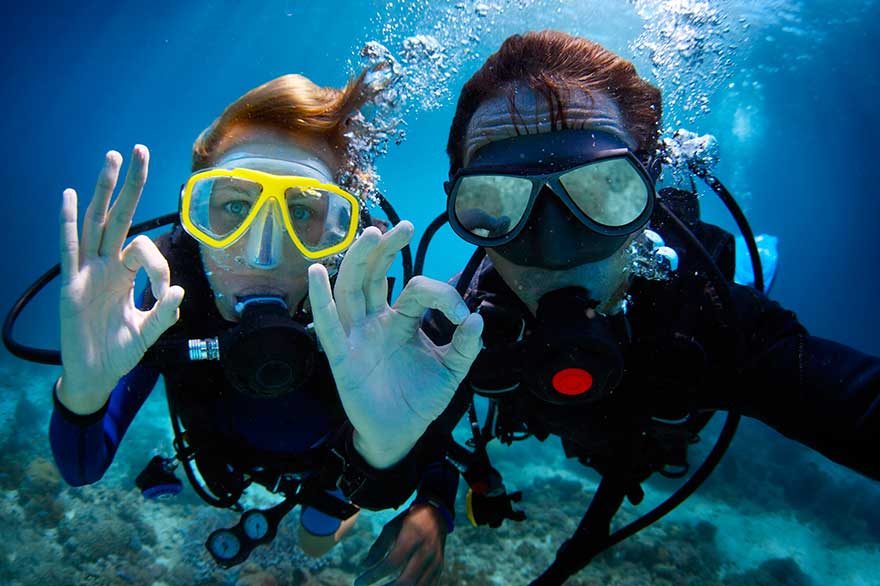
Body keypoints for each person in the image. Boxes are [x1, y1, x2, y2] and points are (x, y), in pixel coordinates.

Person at [360, 30, 880, 586]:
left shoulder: (707, 316)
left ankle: (761, 260)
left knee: (750, 277)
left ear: (648, 190)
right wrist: (413, 481)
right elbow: (411, 447)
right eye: (494, 202)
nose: (554, 250)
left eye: (604, 191)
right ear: (461, 205)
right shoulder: (457, 324)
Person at [48, 71, 483, 567]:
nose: (263, 256)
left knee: (316, 536)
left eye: (302, 214)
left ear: (344, 235)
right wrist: (83, 392)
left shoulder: (368, 307)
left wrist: (389, 460)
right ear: (197, 217)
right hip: (226, 463)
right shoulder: (167, 300)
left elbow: (437, 431)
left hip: (333, 470)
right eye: (234, 205)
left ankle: (326, 521)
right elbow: (82, 467)